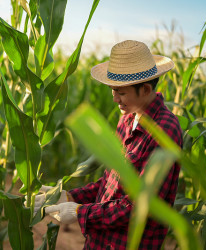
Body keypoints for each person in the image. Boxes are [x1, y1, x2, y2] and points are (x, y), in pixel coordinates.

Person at [34, 40, 183, 249]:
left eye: (121, 93)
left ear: (146, 89)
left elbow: (140, 206)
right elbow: (111, 183)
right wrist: (67, 195)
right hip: (101, 241)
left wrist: (80, 212)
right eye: (113, 90)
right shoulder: (128, 117)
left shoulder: (165, 132)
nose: (115, 99)